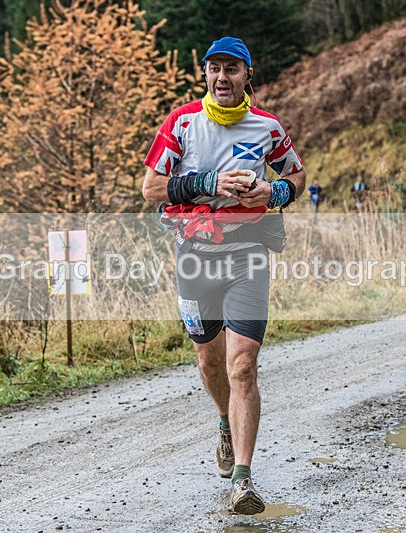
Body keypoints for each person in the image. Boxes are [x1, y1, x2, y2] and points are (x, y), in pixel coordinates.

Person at [141, 36, 306, 515]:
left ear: (247, 75)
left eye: (231, 69)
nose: (221, 77)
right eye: (214, 68)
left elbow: (296, 175)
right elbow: (150, 187)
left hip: (248, 253)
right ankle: (223, 423)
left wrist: (274, 193)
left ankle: (243, 480)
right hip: (194, 256)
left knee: (242, 365)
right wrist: (208, 183)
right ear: (205, 74)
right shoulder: (182, 122)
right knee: (210, 363)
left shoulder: (267, 127)